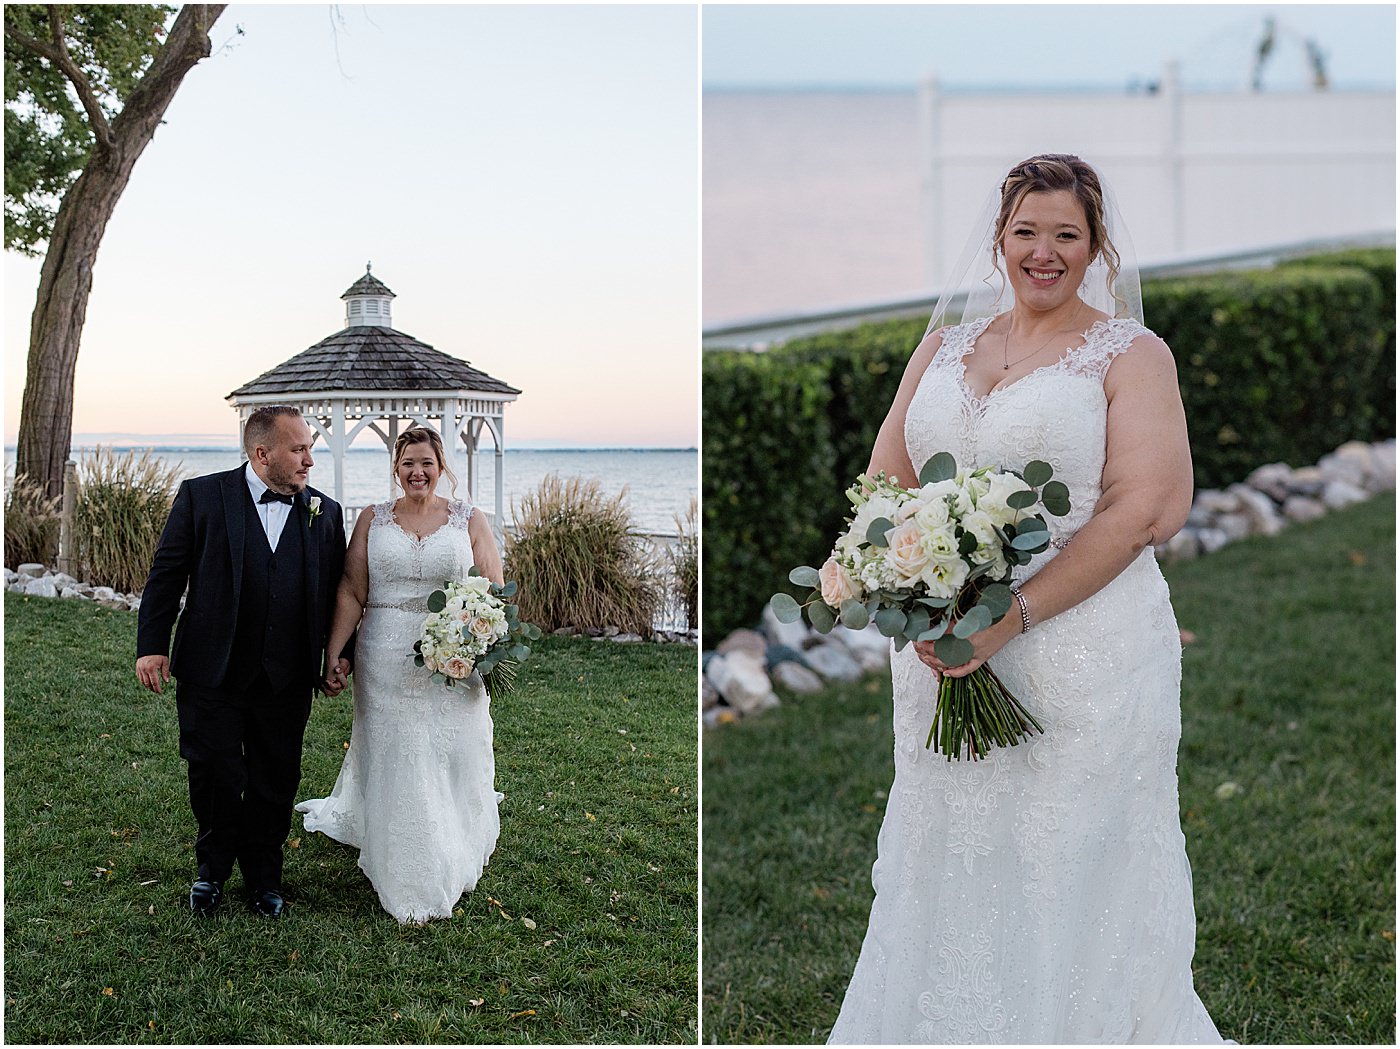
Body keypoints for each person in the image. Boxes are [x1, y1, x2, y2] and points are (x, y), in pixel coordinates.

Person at [827, 155, 1230, 1042]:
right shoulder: (943, 348)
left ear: (1097, 247)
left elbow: (1147, 507)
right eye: (1026, 232)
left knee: (1064, 859)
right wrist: (888, 575)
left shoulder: (1132, 354)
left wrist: (1010, 615)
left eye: (1066, 235)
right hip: (941, 652)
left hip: (1082, 656)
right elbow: (888, 479)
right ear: (999, 239)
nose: (1043, 252)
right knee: (948, 853)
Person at [136, 405, 349, 919]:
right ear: (262, 453)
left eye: (310, 449)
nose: (309, 461)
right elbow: (167, 573)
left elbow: (337, 592)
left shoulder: (325, 512)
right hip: (213, 668)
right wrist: (152, 644)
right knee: (214, 773)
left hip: (287, 674)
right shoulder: (202, 496)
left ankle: (264, 879)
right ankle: (210, 871)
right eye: (299, 450)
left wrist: (339, 655)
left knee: (276, 776)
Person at [296, 426, 504, 924]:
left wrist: (474, 638)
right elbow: (352, 589)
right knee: (401, 752)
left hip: (454, 657)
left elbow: (494, 587)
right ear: (396, 467)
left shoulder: (469, 519)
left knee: (450, 749)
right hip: (384, 655)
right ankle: (406, 859)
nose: (417, 472)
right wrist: (334, 651)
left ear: (441, 467)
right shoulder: (373, 518)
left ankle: (453, 835)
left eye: (426, 463)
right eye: (408, 462)